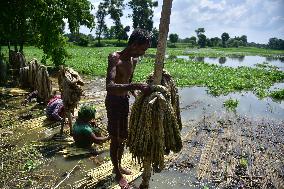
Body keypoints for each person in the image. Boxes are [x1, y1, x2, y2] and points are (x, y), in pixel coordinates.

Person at [105, 28, 151, 189]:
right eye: (142, 49)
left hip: (123, 101)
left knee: (123, 136)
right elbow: (110, 86)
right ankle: (117, 172)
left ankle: (118, 165)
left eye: (145, 50)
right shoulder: (114, 57)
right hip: (113, 102)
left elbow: (128, 83)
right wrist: (135, 85)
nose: (142, 53)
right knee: (115, 138)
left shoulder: (134, 61)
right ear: (133, 44)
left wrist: (137, 96)